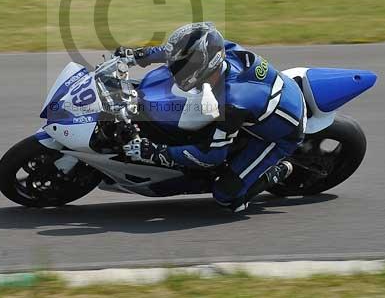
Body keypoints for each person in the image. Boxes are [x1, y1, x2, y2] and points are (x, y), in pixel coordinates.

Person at [116, 22, 305, 212]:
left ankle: (278, 170)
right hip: (271, 96)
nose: (175, 72)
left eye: (182, 68)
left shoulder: (233, 102)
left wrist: (159, 153)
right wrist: (137, 56)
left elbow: (213, 155)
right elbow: (172, 51)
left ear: (202, 67)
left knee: (226, 195)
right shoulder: (220, 48)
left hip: (281, 134)